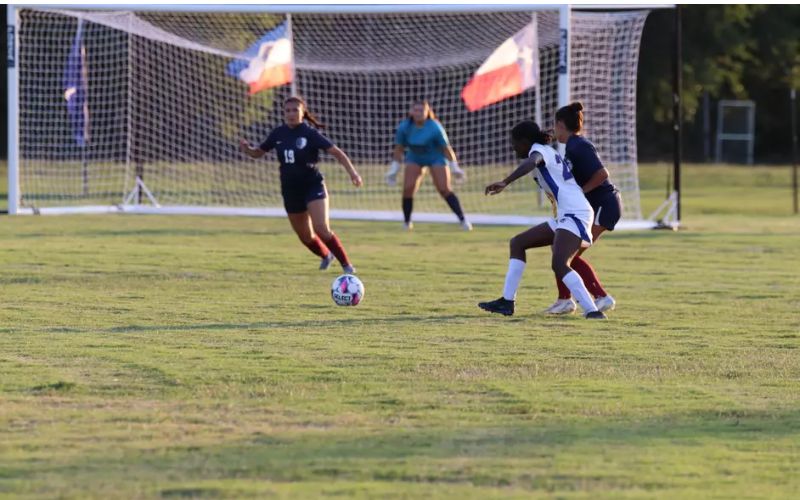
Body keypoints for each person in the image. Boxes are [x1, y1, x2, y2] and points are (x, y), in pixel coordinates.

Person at [477, 120, 606, 320]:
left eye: (515, 143)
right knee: (518, 243)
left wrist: (505, 181)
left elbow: (533, 161)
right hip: (566, 214)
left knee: (559, 263)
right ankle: (507, 302)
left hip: (575, 212)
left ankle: (592, 311)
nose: (513, 147)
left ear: (526, 141)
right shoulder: (544, 149)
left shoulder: (538, 151)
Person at [239, 96, 362, 274]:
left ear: (303, 112)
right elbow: (258, 153)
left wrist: (353, 173)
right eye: (287, 110)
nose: (291, 114)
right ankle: (326, 256)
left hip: (313, 185)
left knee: (322, 228)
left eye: (295, 110)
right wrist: (248, 150)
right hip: (290, 190)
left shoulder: (310, 134)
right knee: (305, 237)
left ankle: (347, 266)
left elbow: (337, 153)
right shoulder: (278, 133)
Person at [543, 102, 621, 315]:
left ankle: (598, 297)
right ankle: (565, 299)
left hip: (605, 205)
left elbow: (602, 174)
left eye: (554, 125)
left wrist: (580, 193)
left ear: (560, 124)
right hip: (596, 207)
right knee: (562, 252)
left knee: (567, 256)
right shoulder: (572, 145)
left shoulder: (579, 145)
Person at [384, 100, 471, 231]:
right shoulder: (404, 127)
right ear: (411, 112)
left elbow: (446, 149)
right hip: (415, 157)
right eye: (416, 110)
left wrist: (455, 168)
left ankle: (463, 220)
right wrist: (394, 170)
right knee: (408, 189)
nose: (418, 113)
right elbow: (399, 149)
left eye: (421, 110)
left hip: (435, 157)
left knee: (444, 189)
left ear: (427, 112)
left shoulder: (435, 127)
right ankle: (407, 222)